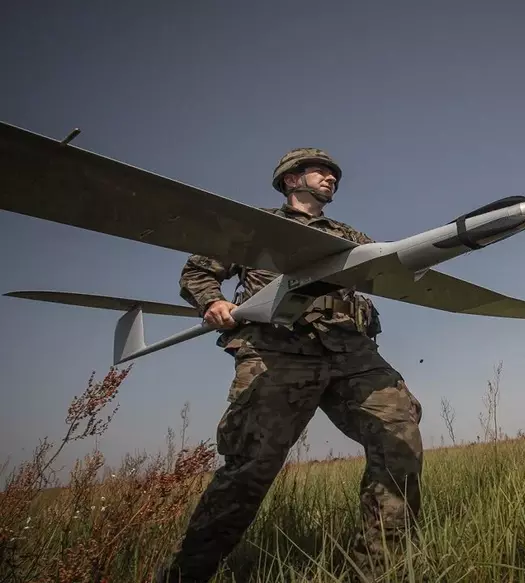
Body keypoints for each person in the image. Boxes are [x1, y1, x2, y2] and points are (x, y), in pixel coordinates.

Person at [156, 148, 424, 582]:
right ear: (290, 179)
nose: (331, 178)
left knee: (400, 436)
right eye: (321, 171)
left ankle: (376, 572)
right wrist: (214, 302)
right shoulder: (255, 227)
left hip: (350, 354)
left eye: (334, 174)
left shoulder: (346, 233)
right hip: (277, 352)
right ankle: (185, 575)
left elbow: (378, 272)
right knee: (250, 470)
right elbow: (197, 273)